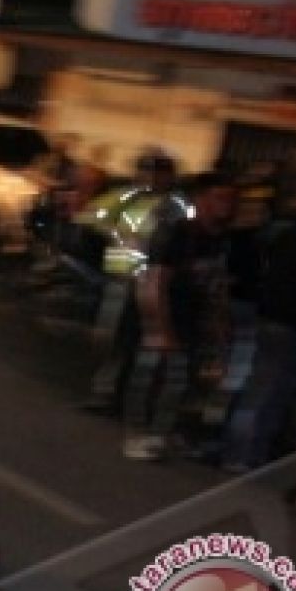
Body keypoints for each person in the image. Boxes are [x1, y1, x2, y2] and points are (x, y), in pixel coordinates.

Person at [224, 168, 296, 473]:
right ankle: (245, 456)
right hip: (287, 324)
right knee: (267, 392)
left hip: (292, 323)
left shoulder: (289, 230)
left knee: (271, 393)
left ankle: (251, 456)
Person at [123, 171, 236, 461]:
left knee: (181, 383)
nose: (226, 205)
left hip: (194, 322)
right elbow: (156, 281)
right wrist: (159, 328)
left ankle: (163, 433)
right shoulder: (177, 233)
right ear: (200, 200)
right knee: (152, 378)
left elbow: (218, 286)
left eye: (229, 199)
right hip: (167, 317)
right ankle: (138, 434)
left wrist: (218, 325)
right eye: (218, 198)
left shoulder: (221, 240)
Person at [80, 148, 186, 413]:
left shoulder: (176, 205)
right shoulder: (126, 198)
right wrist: (111, 232)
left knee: (143, 343)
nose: (150, 177)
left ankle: (129, 397)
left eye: (157, 172)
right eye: (145, 170)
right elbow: (91, 218)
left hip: (155, 285)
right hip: (121, 279)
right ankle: (105, 392)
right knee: (111, 338)